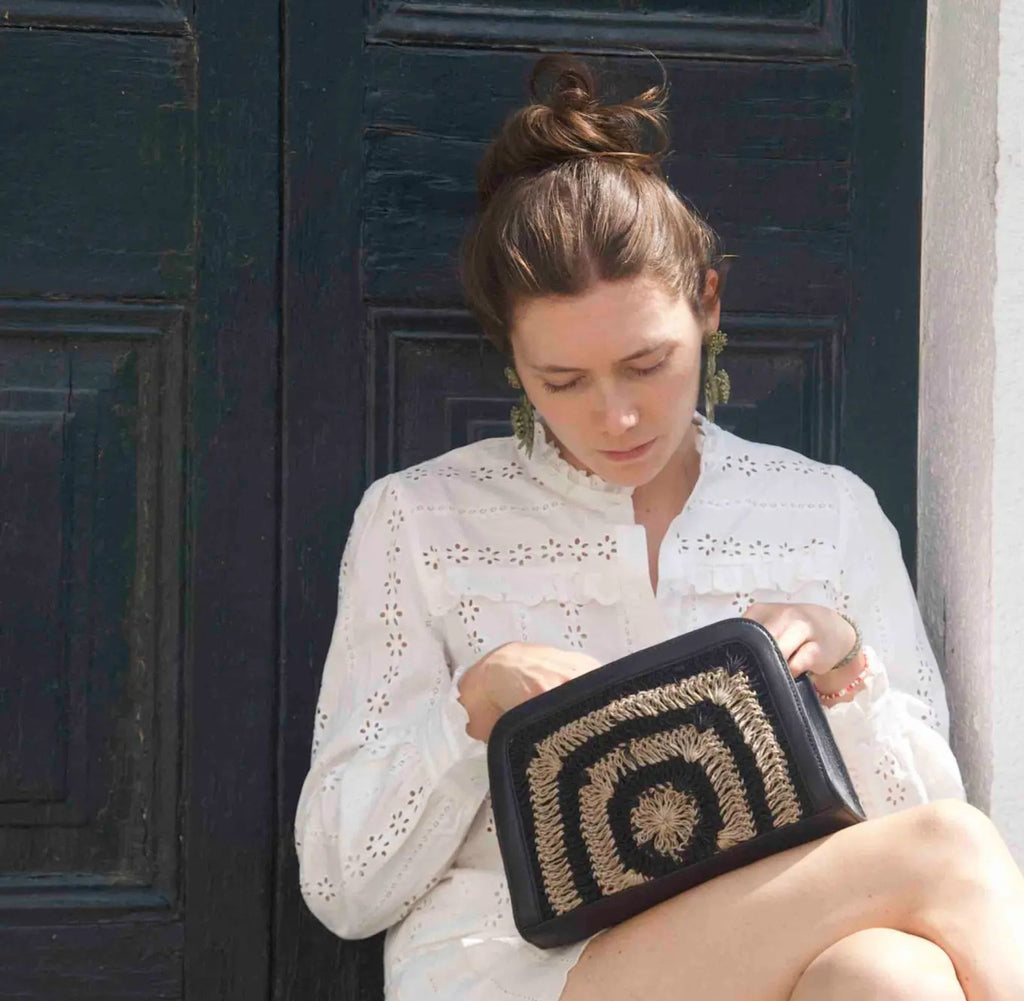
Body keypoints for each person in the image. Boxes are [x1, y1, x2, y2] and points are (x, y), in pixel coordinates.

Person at [296, 55, 1024, 1001]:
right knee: (952, 848)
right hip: (515, 968)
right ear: (513, 359)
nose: (618, 416)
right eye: (564, 381)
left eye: (647, 364)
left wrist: (846, 674)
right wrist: (472, 711)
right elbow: (342, 887)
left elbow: (924, 849)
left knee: (896, 974)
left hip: (771, 945)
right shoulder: (419, 519)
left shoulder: (826, 510)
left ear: (708, 304)